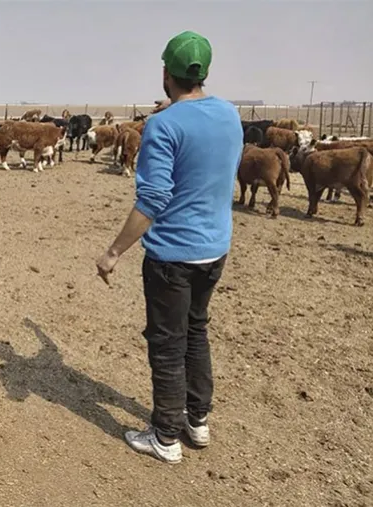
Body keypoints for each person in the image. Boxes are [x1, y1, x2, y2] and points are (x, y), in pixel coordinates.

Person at [95, 31, 243, 464]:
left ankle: (164, 436)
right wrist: (175, 112)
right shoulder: (229, 114)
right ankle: (197, 420)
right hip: (214, 249)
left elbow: (153, 199)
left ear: (166, 72)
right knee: (196, 330)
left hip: (173, 256)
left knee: (167, 343)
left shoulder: (163, 126)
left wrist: (113, 252)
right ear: (204, 72)